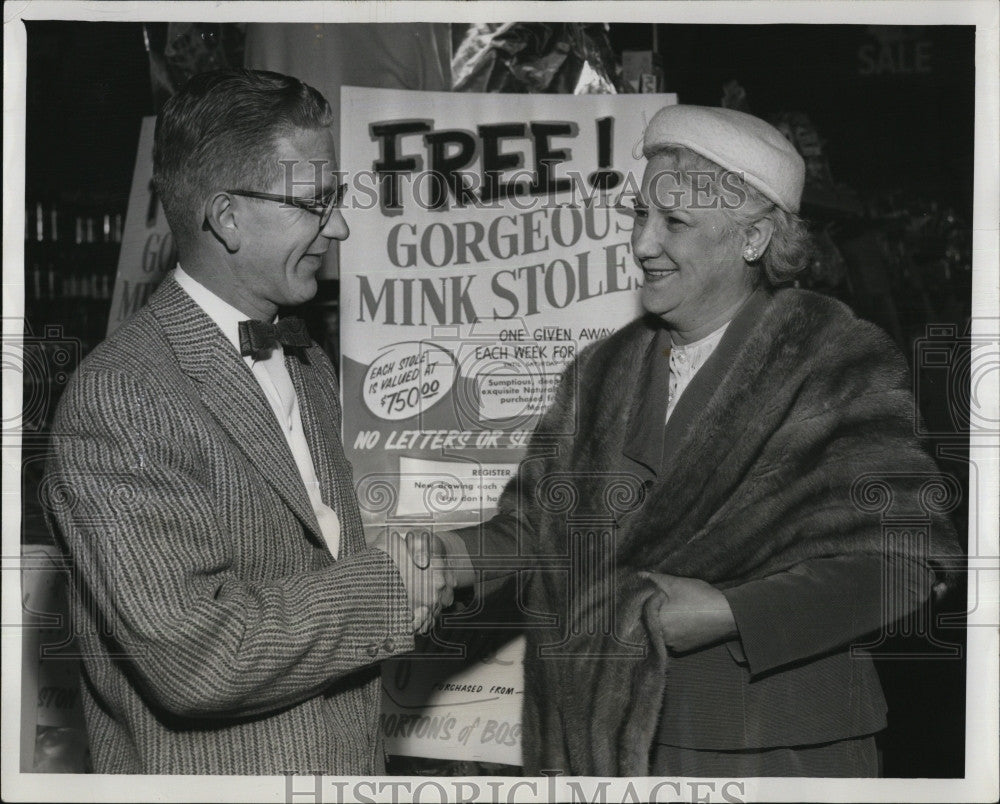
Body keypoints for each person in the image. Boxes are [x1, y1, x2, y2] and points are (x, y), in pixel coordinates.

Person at [435, 104, 963, 777]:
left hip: (772, 746)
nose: (643, 245)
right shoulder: (602, 370)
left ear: (753, 238)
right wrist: (451, 555)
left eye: (674, 222)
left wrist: (732, 613)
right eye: (638, 215)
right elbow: (534, 525)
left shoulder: (832, 361)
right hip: (602, 740)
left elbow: (907, 567)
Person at [42, 69, 452, 775]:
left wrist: (386, 554)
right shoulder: (122, 397)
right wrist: (388, 587)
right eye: (316, 202)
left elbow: (295, 559)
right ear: (227, 217)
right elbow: (197, 655)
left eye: (339, 197)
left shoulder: (305, 358)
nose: (343, 224)